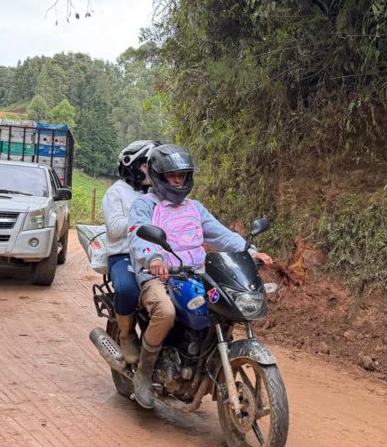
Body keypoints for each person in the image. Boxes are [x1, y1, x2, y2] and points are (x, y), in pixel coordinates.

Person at [128, 143, 272, 408]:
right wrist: (154, 258)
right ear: (159, 176)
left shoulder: (195, 208)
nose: (178, 180)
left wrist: (250, 251)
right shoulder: (144, 205)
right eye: (172, 175)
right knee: (166, 312)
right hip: (158, 275)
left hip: (195, 273)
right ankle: (143, 375)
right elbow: (139, 234)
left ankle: (205, 362)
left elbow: (221, 234)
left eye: (182, 175)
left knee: (223, 306)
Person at [101, 140, 158, 364]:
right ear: (131, 165)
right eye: (147, 165)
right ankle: (126, 334)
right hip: (123, 255)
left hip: (153, 254)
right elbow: (114, 228)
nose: (151, 171)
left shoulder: (156, 194)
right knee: (126, 289)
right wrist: (143, 222)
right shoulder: (115, 193)